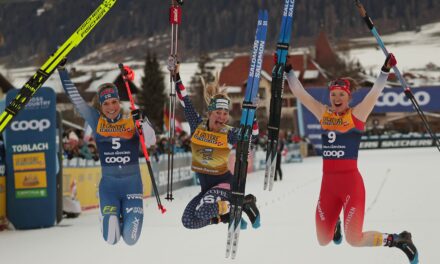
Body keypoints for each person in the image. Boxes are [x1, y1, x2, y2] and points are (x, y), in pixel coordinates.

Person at [285, 54, 418, 264]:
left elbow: (374, 93)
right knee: (322, 240)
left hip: (350, 184)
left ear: (348, 98)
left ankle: (398, 240)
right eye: (334, 94)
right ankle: (336, 224)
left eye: (341, 95)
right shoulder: (323, 113)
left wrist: (384, 71)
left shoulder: (357, 115)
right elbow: (301, 94)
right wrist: (289, 71)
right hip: (328, 184)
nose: (337, 98)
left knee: (354, 239)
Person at [57, 63, 156, 246]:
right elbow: (76, 98)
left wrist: (142, 121)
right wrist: (62, 72)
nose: (111, 107)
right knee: (111, 238)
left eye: (114, 102)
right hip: (109, 187)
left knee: (130, 238)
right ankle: (108, 217)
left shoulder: (131, 120)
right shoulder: (96, 121)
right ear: (100, 106)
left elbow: (150, 141)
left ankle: (122, 217)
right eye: (106, 104)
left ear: (119, 102)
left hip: (132, 187)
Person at [168, 60, 260, 229]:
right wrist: (176, 76)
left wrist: (253, 114)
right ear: (210, 112)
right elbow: (184, 100)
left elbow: (253, 136)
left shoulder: (229, 133)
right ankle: (228, 216)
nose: (222, 117)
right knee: (189, 221)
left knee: (203, 211)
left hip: (224, 185)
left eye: (225, 114)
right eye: (218, 112)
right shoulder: (197, 126)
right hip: (206, 189)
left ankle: (239, 203)